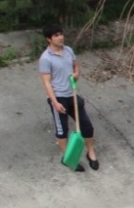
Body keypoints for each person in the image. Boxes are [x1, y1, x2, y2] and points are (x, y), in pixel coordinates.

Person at [39, 24, 99, 172]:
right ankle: (68, 158)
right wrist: (55, 102)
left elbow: (76, 67)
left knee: (87, 126)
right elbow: (46, 83)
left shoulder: (69, 51)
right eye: (56, 35)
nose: (60, 37)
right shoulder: (46, 59)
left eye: (61, 34)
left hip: (72, 94)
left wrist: (77, 74)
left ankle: (91, 153)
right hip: (59, 98)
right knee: (62, 131)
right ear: (49, 39)